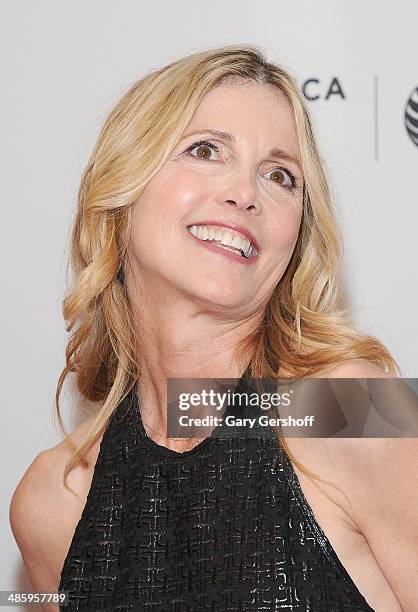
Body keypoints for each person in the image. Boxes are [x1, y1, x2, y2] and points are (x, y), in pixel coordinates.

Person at [9, 45, 418, 612]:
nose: (246, 194)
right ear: (124, 186)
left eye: (281, 175)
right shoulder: (53, 500)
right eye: (205, 150)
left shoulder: (356, 413)